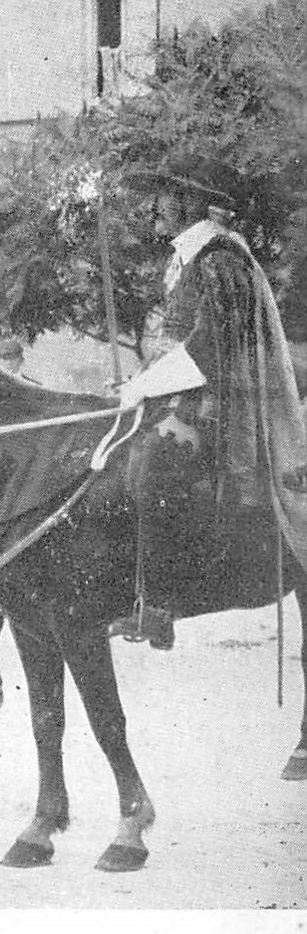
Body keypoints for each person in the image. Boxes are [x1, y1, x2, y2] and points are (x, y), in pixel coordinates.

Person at [109, 155, 307, 650]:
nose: (153, 205)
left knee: (153, 464)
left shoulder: (219, 259)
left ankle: (157, 605)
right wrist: (138, 383)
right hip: (183, 400)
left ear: (191, 201)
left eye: (163, 194)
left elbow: (209, 351)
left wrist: (142, 388)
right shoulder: (188, 258)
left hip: (222, 409)